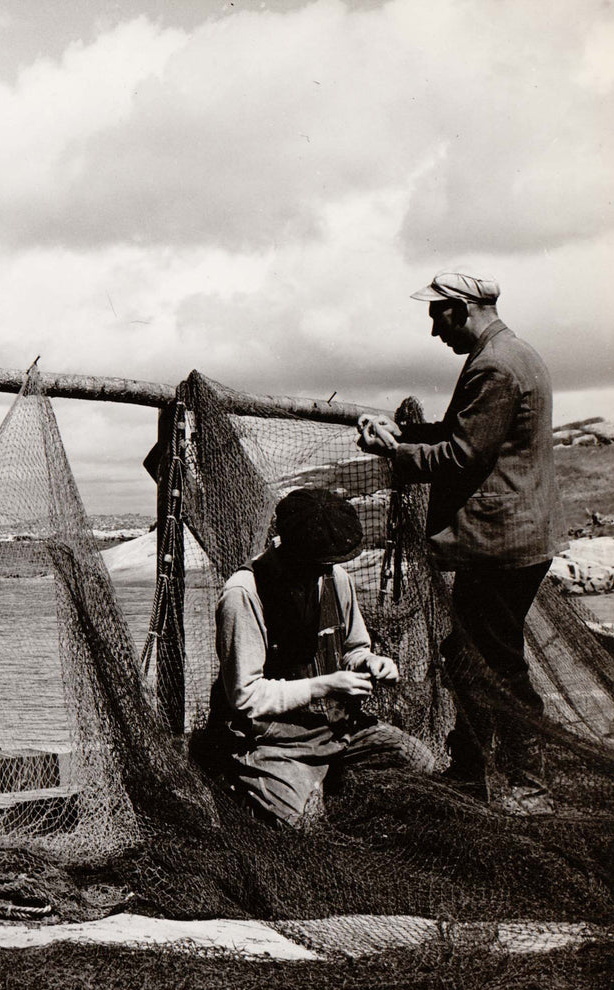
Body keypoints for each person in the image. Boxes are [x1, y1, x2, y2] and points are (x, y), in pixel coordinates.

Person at [357, 273, 560, 810]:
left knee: (495, 665)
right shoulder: (514, 353)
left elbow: (461, 456)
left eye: (436, 316)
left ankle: (524, 785)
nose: (432, 331)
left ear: (461, 309)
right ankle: (474, 767)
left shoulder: (495, 365)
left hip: (500, 543)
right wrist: (398, 434)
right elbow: (460, 434)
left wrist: (391, 454)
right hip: (515, 538)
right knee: (472, 657)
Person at [194, 488, 437, 828]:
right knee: (301, 824)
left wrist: (370, 663)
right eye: (320, 564)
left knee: (419, 763)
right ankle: (238, 776)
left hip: (335, 730)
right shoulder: (243, 594)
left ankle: (323, 776)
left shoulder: (336, 578)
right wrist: (325, 685)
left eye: (332, 564)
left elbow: (354, 648)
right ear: (292, 550)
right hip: (272, 741)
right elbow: (245, 697)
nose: (326, 572)